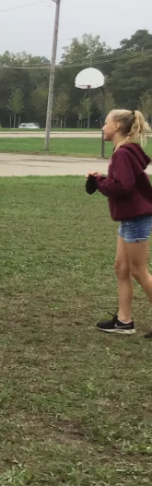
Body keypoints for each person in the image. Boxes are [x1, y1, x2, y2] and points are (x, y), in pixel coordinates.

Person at [88, 109, 152, 339]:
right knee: (121, 268)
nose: (103, 127)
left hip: (136, 217)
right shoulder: (123, 151)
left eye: (105, 123)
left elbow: (121, 187)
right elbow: (122, 182)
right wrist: (102, 179)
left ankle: (126, 321)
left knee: (138, 270)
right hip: (129, 217)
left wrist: (99, 181)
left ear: (116, 126)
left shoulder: (123, 153)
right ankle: (125, 321)